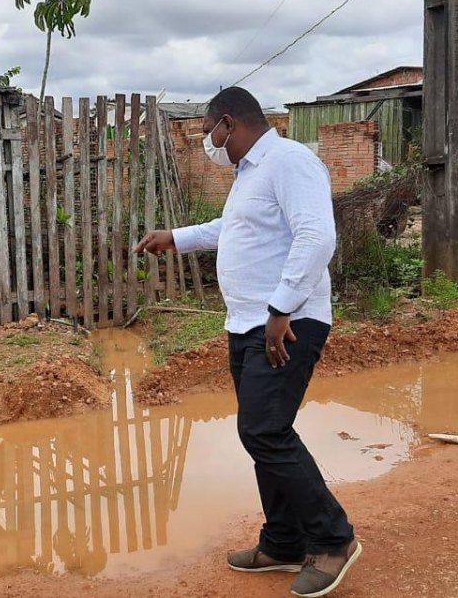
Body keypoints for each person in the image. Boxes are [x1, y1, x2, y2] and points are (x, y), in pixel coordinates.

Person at [136, 87, 360, 598]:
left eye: (209, 132)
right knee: (265, 432)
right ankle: (282, 541)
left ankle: (332, 539)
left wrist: (281, 309)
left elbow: (316, 236)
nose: (209, 144)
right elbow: (233, 229)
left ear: (229, 124)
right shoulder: (250, 173)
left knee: (264, 431)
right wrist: (176, 235)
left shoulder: (289, 162)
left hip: (286, 323)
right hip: (247, 323)